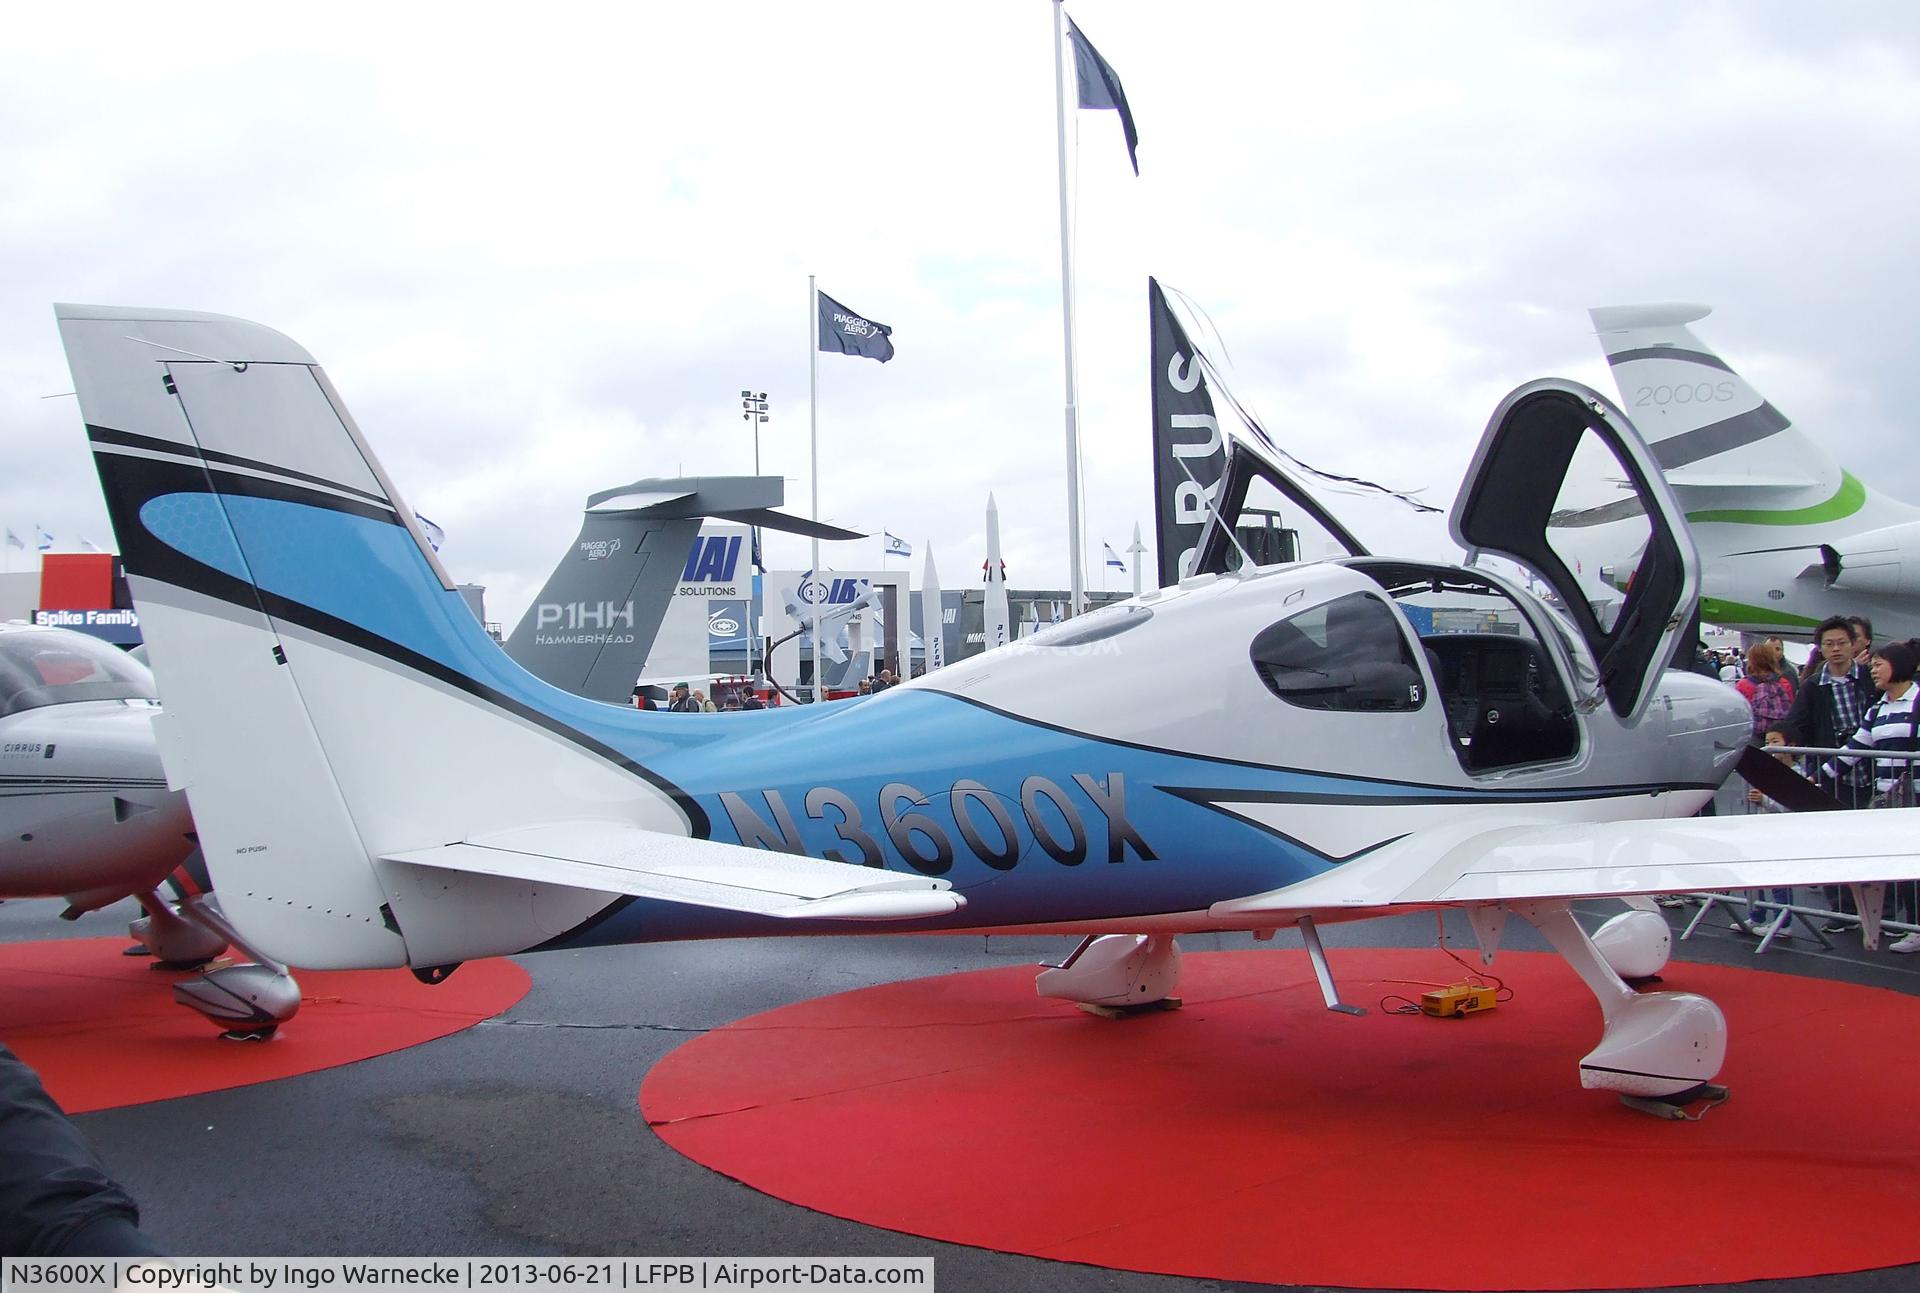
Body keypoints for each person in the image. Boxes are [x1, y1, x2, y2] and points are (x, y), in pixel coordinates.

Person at [1821, 641, 1920, 951]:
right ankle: (1915, 928)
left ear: (1899, 665)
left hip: (1915, 799)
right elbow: (1854, 749)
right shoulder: (1878, 708)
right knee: (1905, 870)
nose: (1873, 669)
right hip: (1892, 801)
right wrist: (1817, 777)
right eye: (1873, 664)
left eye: (1880, 663)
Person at [1782, 616, 1877, 929]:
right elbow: (1797, 722)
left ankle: (1882, 913)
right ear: (1820, 648)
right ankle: (1842, 910)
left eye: (1841, 642)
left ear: (1854, 644)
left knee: (1871, 841)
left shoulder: (1868, 677)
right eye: (1829, 644)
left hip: (1868, 771)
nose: (1835, 649)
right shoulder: (1812, 685)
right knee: (1831, 841)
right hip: (1828, 772)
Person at [1734, 641, 1796, 743]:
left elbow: (1739, 714)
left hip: (1754, 736)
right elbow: (1790, 708)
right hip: (1778, 737)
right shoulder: (1783, 682)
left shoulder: (1743, 685)